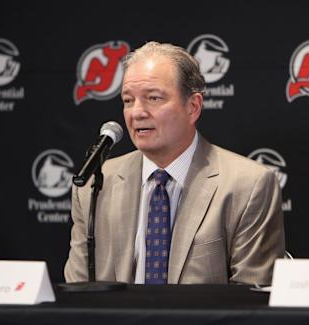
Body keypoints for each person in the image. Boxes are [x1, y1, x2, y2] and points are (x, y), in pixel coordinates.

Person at [64, 41, 285, 285]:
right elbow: (77, 292)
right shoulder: (95, 185)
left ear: (193, 107)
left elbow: (249, 303)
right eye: (128, 100)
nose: (136, 112)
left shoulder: (248, 185)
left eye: (154, 98)